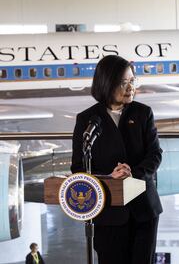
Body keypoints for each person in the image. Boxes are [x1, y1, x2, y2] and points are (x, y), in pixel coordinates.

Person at [71, 55, 163, 264]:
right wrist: (109, 178)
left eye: (133, 81)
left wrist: (134, 174)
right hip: (108, 211)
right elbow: (78, 168)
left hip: (143, 208)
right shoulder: (87, 119)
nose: (130, 87)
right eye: (124, 82)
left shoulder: (143, 113)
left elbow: (155, 154)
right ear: (107, 83)